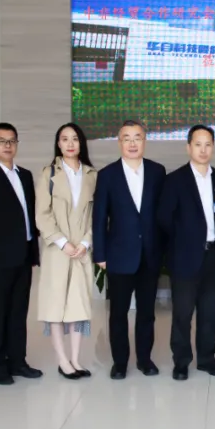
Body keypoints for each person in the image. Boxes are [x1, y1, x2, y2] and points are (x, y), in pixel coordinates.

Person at [93, 120, 165, 379]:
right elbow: (99, 218)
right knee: (118, 313)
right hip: (119, 256)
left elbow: (163, 215)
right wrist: (100, 254)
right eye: (127, 138)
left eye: (137, 138)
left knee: (147, 313)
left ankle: (145, 359)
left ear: (145, 141)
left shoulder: (157, 171)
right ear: (119, 142)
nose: (133, 143)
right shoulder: (107, 175)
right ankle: (120, 362)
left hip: (150, 255)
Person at [0, 122, 42, 386]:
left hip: (23, 255)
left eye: (12, 141)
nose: (7, 145)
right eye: (2, 141)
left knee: (18, 311)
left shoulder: (24, 175)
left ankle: (18, 361)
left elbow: (29, 216)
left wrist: (33, 253)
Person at [158, 125, 215, 381]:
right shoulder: (175, 180)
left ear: (213, 147)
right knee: (183, 313)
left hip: (212, 255)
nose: (203, 150)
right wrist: (182, 242)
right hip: (184, 256)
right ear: (188, 147)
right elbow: (164, 218)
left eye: (208, 144)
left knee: (210, 313)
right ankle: (181, 362)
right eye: (198, 144)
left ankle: (207, 359)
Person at [35, 123, 98, 380]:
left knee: (77, 306)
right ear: (58, 144)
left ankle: (75, 359)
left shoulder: (92, 175)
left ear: (81, 143)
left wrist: (85, 242)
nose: (70, 143)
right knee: (55, 305)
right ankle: (62, 360)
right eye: (64, 139)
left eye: (75, 139)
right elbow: (42, 214)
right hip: (57, 251)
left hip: (82, 250)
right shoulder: (48, 174)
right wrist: (63, 242)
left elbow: (98, 215)